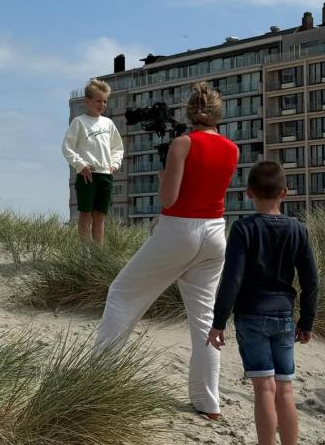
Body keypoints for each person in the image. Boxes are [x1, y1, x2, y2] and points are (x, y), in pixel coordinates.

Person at [95, 81, 238, 418]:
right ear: (219, 114)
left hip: (179, 229)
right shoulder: (233, 149)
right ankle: (208, 402)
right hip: (216, 232)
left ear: (190, 113)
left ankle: (97, 376)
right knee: (204, 319)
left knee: (122, 293)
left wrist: (163, 177)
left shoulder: (182, 144)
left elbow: (169, 199)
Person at [207, 160, 319, 445]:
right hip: (284, 318)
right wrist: (307, 321)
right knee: (285, 390)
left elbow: (233, 278)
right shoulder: (297, 228)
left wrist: (218, 321)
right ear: (284, 193)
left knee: (263, 390)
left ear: (250, 193)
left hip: (251, 317)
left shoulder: (243, 228)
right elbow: (311, 281)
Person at [62, 79, 124, 244]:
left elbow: (118, 147)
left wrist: (115, 164)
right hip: (87, 175)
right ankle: (84, 252)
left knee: (100, 215)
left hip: (105, 175)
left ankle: (98, 253)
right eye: (98, 101)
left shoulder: (109, 123)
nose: (102, 104)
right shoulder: (79, 122)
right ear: (87, 101)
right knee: (85, 214)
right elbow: (67, 147)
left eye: (105, 101)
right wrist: (81, 165)